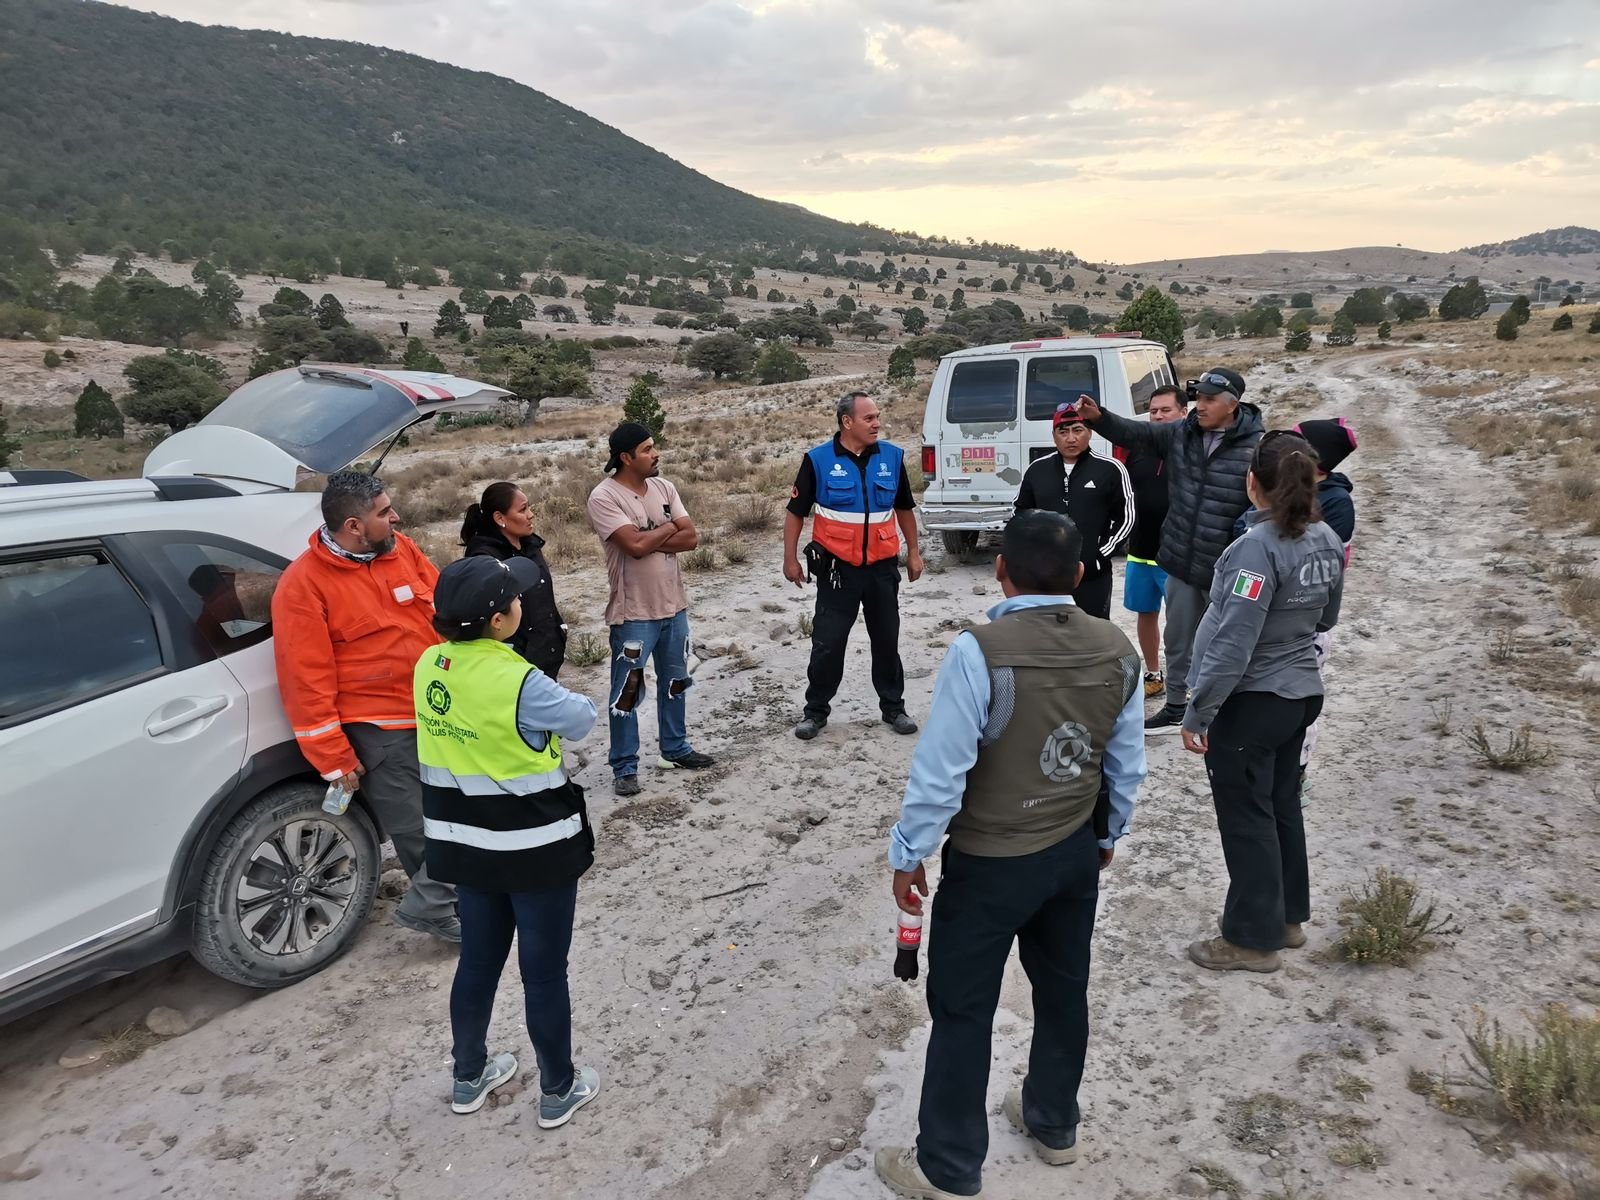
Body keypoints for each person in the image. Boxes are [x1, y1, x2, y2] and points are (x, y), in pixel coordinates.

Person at [877, 510, 1146, 1200]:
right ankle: (1054, 1123)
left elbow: (942, 774)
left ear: (1001, 569)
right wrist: (1107, 835)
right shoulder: (1118, 648)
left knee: (964, 1010)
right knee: (1063, 991)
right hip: (1072, 856)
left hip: (990, 863)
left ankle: (948, 1165)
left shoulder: (981, 650)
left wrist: (910, 854)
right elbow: (1126, 762)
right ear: (1081, 576)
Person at [413, 556, 602, 1124]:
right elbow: (583, 718)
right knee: (543, 972)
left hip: (465, 845)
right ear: (499, 620)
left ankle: (468, 1076)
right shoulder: (520, 679)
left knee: (477, 962)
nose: (523, 602)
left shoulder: (429, 664)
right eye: (516, 597)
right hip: (534, 848)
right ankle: (558, 1089)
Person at [1180, 432, 1344, 973]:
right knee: (1279, 806)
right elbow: (1327, 616)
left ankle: (1252, 940)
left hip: (1255, 699)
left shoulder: (1257, 547)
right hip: (1299, 693)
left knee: (1246, 816)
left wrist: (1199, 710)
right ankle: (1287, 917)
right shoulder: (1324, 537)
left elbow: (1234, 640)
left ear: (1253, 483)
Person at [272, 470, 459, 943]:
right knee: (416, 825)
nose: (394, 517)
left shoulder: (401, 550)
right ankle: (436, 910)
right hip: (380, 727)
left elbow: (444, 610)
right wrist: (333, 757)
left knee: (456, 808)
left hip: (437, 708)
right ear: (354, 526)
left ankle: (463, 893)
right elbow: (305, 678)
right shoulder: (304, 586)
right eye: (383, 512)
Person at [1073, 367, 1264, 734]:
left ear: (1232, 405)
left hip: (1226, 568)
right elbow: (1138, 433)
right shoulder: (1182, 433)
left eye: (1210, 400)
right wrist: (1099, 419)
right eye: (1199, 398)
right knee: (1178, 641)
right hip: (1179, 560)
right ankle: (1176, 705)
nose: (1200, 406)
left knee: (1227, 643)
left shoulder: (1257, 448)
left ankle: (1223, 710)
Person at [784, 391, 924, 741]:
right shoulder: (817, 460)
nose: (877, 423)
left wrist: (915, 551)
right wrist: (789, 559)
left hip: (881, 568)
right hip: (837, 569)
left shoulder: (892, 457)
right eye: (869, 418)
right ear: (847, 422)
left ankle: (894, 708)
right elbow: (795, 513)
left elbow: (905, 508)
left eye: (878, 417)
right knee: (828, 643)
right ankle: (815, 712)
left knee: (886, 639)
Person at [586, 422, 715, 797]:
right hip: (634, 615)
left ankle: (674, 749)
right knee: (628, 691)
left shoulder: (665, 487)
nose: (655, 454)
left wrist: (649, 534)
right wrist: (666, 528)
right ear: (625, 458)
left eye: (653, 447)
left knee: (676, 682)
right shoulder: (604, 497)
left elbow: (690, 538)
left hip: (674, 607)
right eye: (646, 449)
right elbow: (634, 547)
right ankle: (624, 766)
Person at [1012, 400, 1134, 620]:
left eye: (1078, 430)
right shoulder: (1037, 470)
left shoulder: (1111, 469)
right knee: (1048, 634)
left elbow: (1126, 517)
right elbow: (1021, 515)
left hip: (1092, 573)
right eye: (1063, 431)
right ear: (1054, 435)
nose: (1071, 438)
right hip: (1046, 574)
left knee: (1092, 632)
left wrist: (1100, 555)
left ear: (1089, 433)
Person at [460, 482, 567, 679]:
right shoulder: (485, 561)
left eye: (529, 507)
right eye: (523, 509)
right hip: (514, 664)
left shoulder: (530, 545)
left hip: (546, 655)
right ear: (500, 518)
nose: (531, 514)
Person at [1122, 385, 1189, 697]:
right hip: (1140, 551)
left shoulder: (1193, 450)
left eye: (1166, 410)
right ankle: (1153, 674)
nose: (1159, 416)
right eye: (1153, 411)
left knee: (1182, 624)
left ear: (1183, 413)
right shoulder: (1138, 449)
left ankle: (1184, 681)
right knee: (1145, 615)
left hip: (1177, 557)